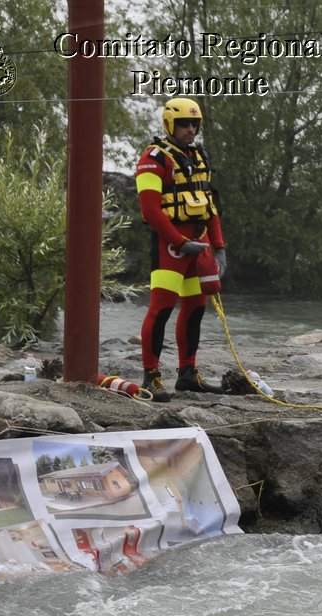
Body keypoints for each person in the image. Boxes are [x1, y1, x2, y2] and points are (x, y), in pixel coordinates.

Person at [134, 96, 226, 398]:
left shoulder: (199, 156)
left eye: (194, 124)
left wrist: (218, 245)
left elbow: (209, 205)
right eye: (184, 124)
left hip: (197, 244)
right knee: (161, 309)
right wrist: (179, 242)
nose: (190, 129)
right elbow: (150, 211)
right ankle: (152, 377)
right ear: (169, 124)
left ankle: (187, 373)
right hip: (169, 246)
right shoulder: (153, 158)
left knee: (196, 308)